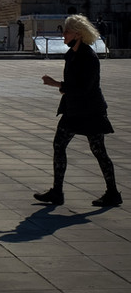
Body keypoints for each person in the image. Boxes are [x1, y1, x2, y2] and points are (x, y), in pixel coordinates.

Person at [34, 14, 121, 207]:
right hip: (73, 110)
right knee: (59, 145)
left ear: (78, 34)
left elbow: (84, 88)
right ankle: (57, 192)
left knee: (99, 151)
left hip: (91, 112)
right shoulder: (71, 54)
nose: (63, 35)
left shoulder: (89, 57)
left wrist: (57, 84)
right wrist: (63, 88)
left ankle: (113, 193)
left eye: (66, 31)